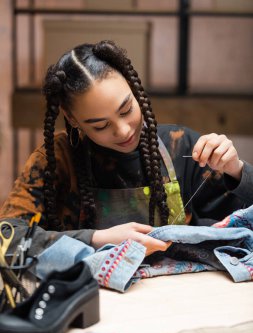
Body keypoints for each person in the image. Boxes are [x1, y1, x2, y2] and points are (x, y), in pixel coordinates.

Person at [1, 40, 253, 257]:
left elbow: (242, 228)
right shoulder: (56, 161)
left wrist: (237, 171)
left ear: (134, 89)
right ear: (72, 119)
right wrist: (96, 239)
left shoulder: (180, 145)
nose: (123, 131)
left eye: (126, 110)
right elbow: (7, 240)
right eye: (100, 125)